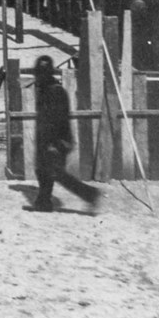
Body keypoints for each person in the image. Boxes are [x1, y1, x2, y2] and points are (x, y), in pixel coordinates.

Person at [30, 56, 101, 213]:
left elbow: (58, 120)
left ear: (48, 74)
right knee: (44, 170)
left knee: (55, 172)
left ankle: (90, 194)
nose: (38, 76)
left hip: (56, 139)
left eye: (42, 73)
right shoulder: (44, 89)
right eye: (38, 73)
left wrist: (53, 143)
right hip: (47, 138)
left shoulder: (55, 91)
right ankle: (43, 202)